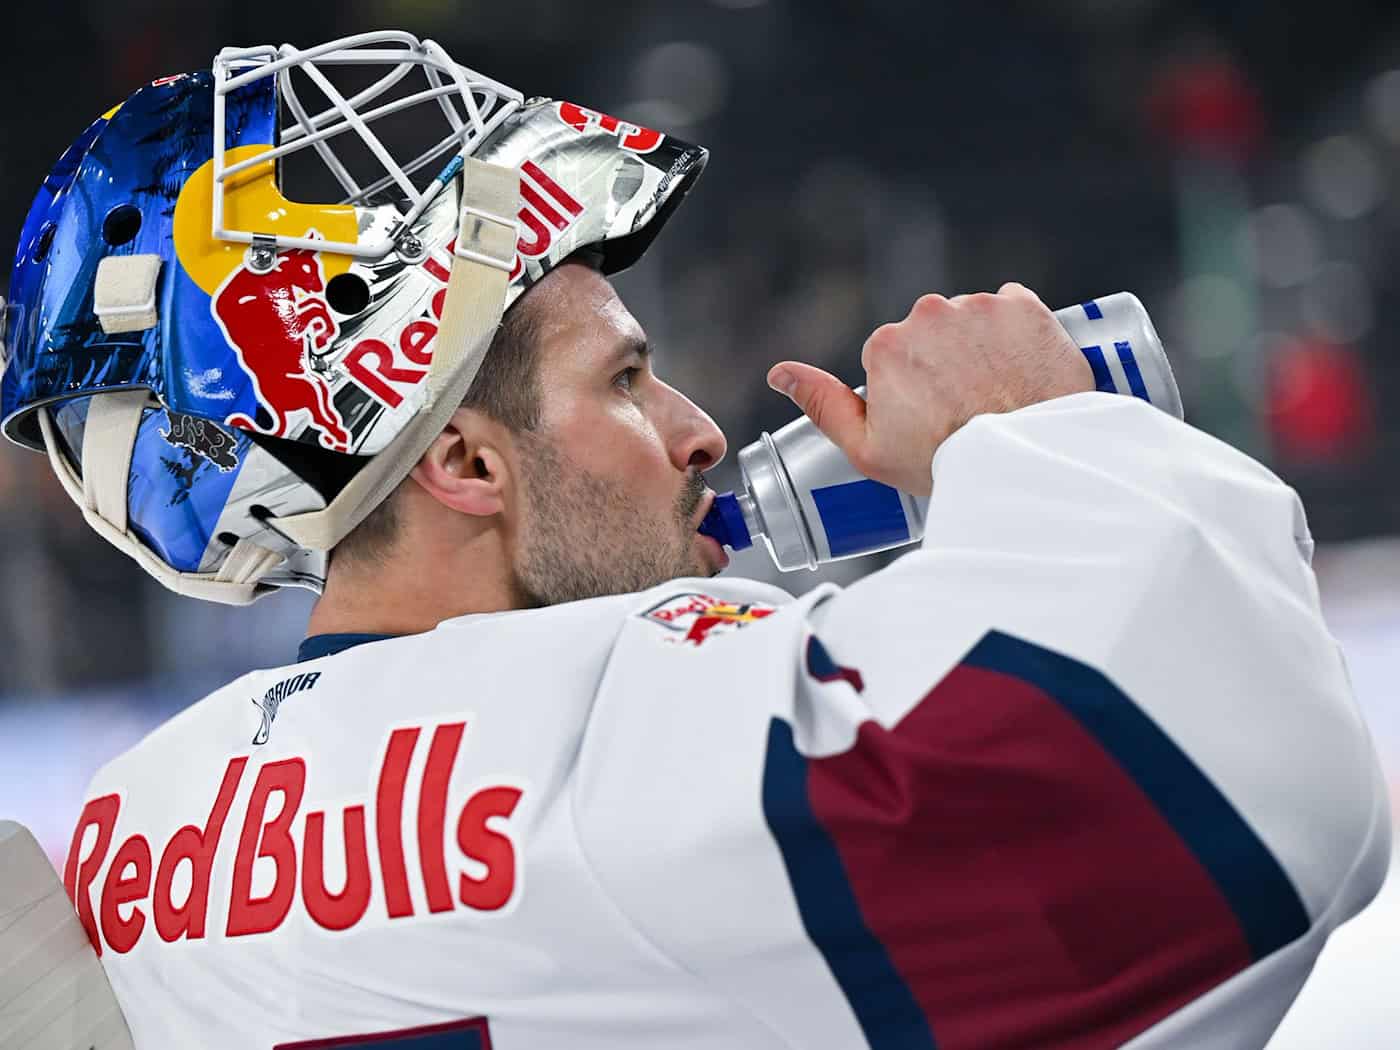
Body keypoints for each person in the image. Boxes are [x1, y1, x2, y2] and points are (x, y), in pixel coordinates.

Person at [5, 32, 1389, 1050]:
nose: (698, 431)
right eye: (621, 379)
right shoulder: (621, 713)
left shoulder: (135, 831)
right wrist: (1029, 435)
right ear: (464, 461)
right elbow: (1228, 797)